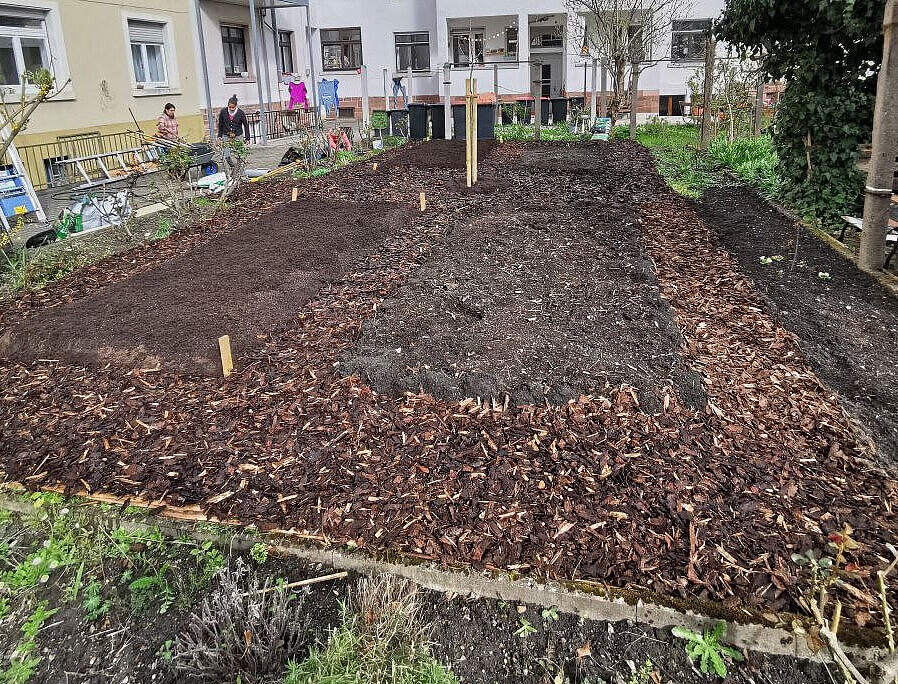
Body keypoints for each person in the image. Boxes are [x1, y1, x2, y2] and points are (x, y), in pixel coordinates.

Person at [217, 95, 250, 168]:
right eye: (230, 107)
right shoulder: (223, 112)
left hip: (238, 134)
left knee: (240, 152)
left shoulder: (240, 113)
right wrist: (219, 135)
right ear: (228, 105)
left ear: (236, 106)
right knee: (226, 152)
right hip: (226, 134)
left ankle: (240, 165)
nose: (231, 109)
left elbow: (246, 125)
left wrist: (247, 138)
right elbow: (220, 124)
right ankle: (231, 165)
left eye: (233, 107)